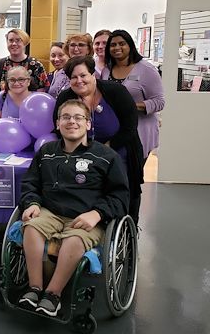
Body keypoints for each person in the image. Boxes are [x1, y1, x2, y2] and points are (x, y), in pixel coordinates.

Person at [17, 100, 129, 316]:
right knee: (31, 226)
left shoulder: (106, 157)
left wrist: (97, 214)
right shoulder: (46, 152)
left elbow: (120, 195)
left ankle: (53, 295)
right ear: (58, 123)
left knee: (75, 239)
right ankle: (34, 288)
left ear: (88, 124)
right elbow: (30, 183)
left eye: (78, 117)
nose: (72, 122)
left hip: (86, 216)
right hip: (50, 211)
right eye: (66, 117)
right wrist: (31, 203)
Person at [54, 56, 145, 224]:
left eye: (83, 75)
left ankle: (128, 229)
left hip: (120, 152)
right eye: (73, 77)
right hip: (83, 155)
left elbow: (130, 127)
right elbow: (59, 127)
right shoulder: (65, 97)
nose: (79, 81)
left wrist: (104, 150)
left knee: (123, 192)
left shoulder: (116, 91)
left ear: (93, 74)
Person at [100, 29, 165, 160]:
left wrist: (130, 107)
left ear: (130, 45)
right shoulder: (107, 70)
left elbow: (159, 101)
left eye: (122, 43)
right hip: (115, 131)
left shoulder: (146, 69)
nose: (117, 47)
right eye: (113, 45)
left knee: (133, 173)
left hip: (140, 130)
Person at [0, 29, 48, 120]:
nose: (14, 44)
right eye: (11, 40)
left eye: (18, 40)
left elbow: (41, 96)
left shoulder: (36, 65)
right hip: (5, 117)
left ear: (25, 42)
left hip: (31, 117)